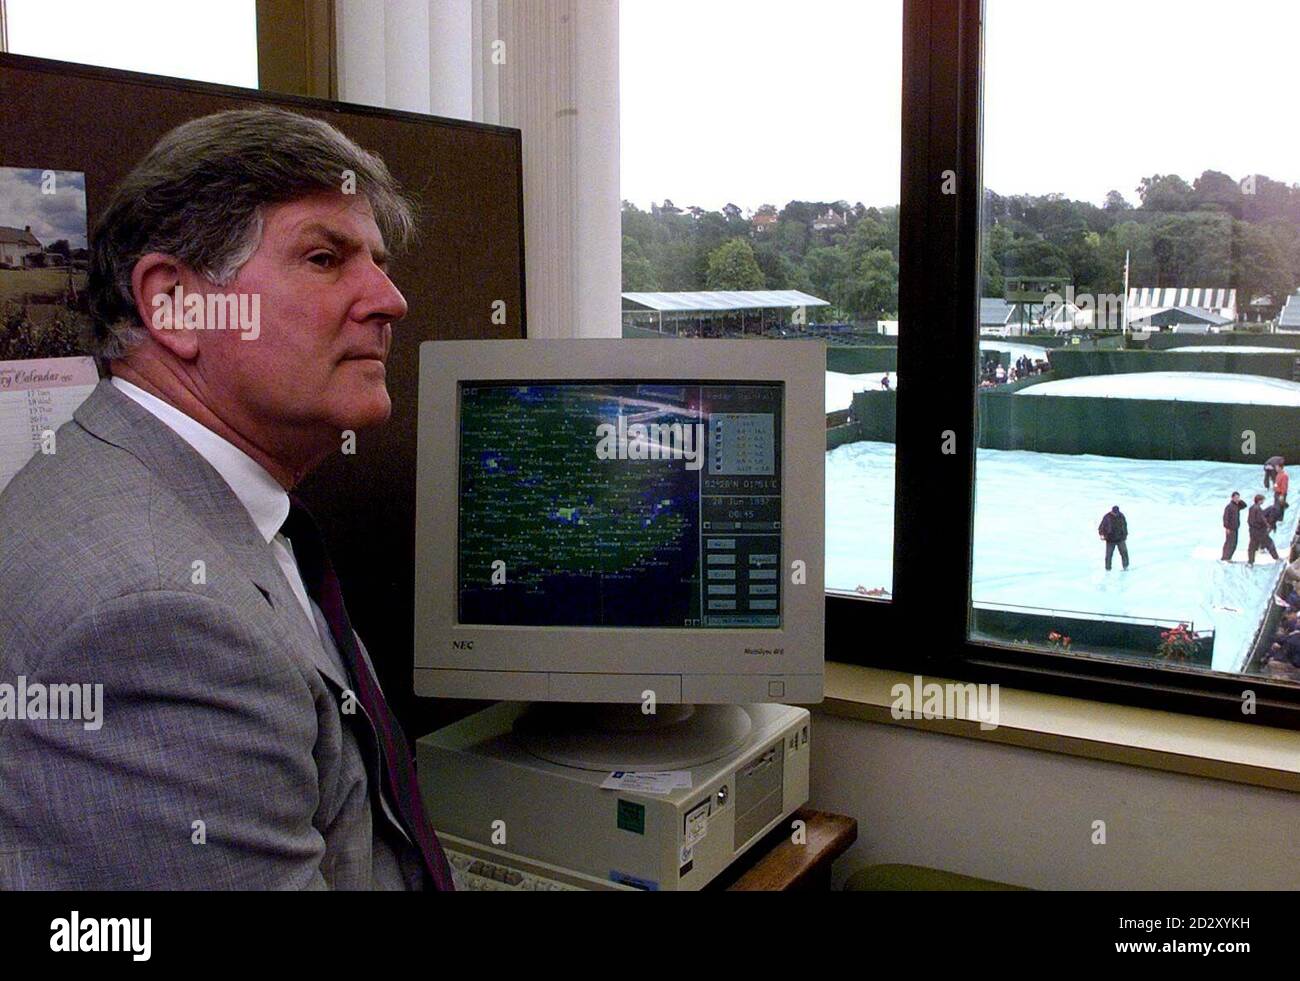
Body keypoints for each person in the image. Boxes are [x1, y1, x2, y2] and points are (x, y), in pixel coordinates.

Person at [0, 109, 453, 890]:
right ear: (174, 305)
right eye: (324, 257)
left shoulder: (158, 483)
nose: (390, 300)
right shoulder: (156, 617)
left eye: (377, 262)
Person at [1248, 493, 1280, 565]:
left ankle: (1250, 561)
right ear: (1259, 501)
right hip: (1260, 531)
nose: (1263, 502)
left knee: (1252, 547)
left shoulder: (1251, 508)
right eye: (1262, 500)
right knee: (1269, 543)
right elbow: (1260, 520)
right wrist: (1266, 525)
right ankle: (1276, 558)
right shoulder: (1258, 509)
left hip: (1252, 530)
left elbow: (1250, 520)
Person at [1098, 504, 1129, 570]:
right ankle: (1108, 569)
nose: (1115, 514)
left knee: (1124, 553)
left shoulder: (1121, 516)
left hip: (1120, 539)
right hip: (1110, 539)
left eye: (1117, 513)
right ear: (1112, 511)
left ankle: (1126, 566)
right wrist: (1101, 534)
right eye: (1114, 513)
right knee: (1109, 555)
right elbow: (1101, 527)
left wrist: (1125, 534)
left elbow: (1125, 526)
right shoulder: (1107, 517)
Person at [1222, 491, 1246, 561]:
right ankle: (1225, 557)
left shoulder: (1237, 506)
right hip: (1230, 528)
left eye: (1238, 498)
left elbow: (1244, 505)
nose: (1237, 499)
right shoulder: (1229, 507)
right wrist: (1226, 527)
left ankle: (1229, 557)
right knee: (1229, 543)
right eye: (1236, 498)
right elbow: (1225, 518)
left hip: (1235, 527)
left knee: (1234, 543)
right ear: (1232, 498)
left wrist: (1240, 501)